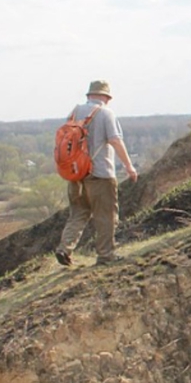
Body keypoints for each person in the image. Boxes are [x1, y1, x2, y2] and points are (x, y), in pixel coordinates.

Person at [55, 80, 138, 266]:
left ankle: (64, 248)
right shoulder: (106, 113)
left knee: (78, 212)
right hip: (100, 174)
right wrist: (129, 166)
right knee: (106, 215)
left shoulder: (75, 111)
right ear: (106, 97)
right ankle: (106, 255)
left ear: (89, 95)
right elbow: (116, 141)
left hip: (76, 173)